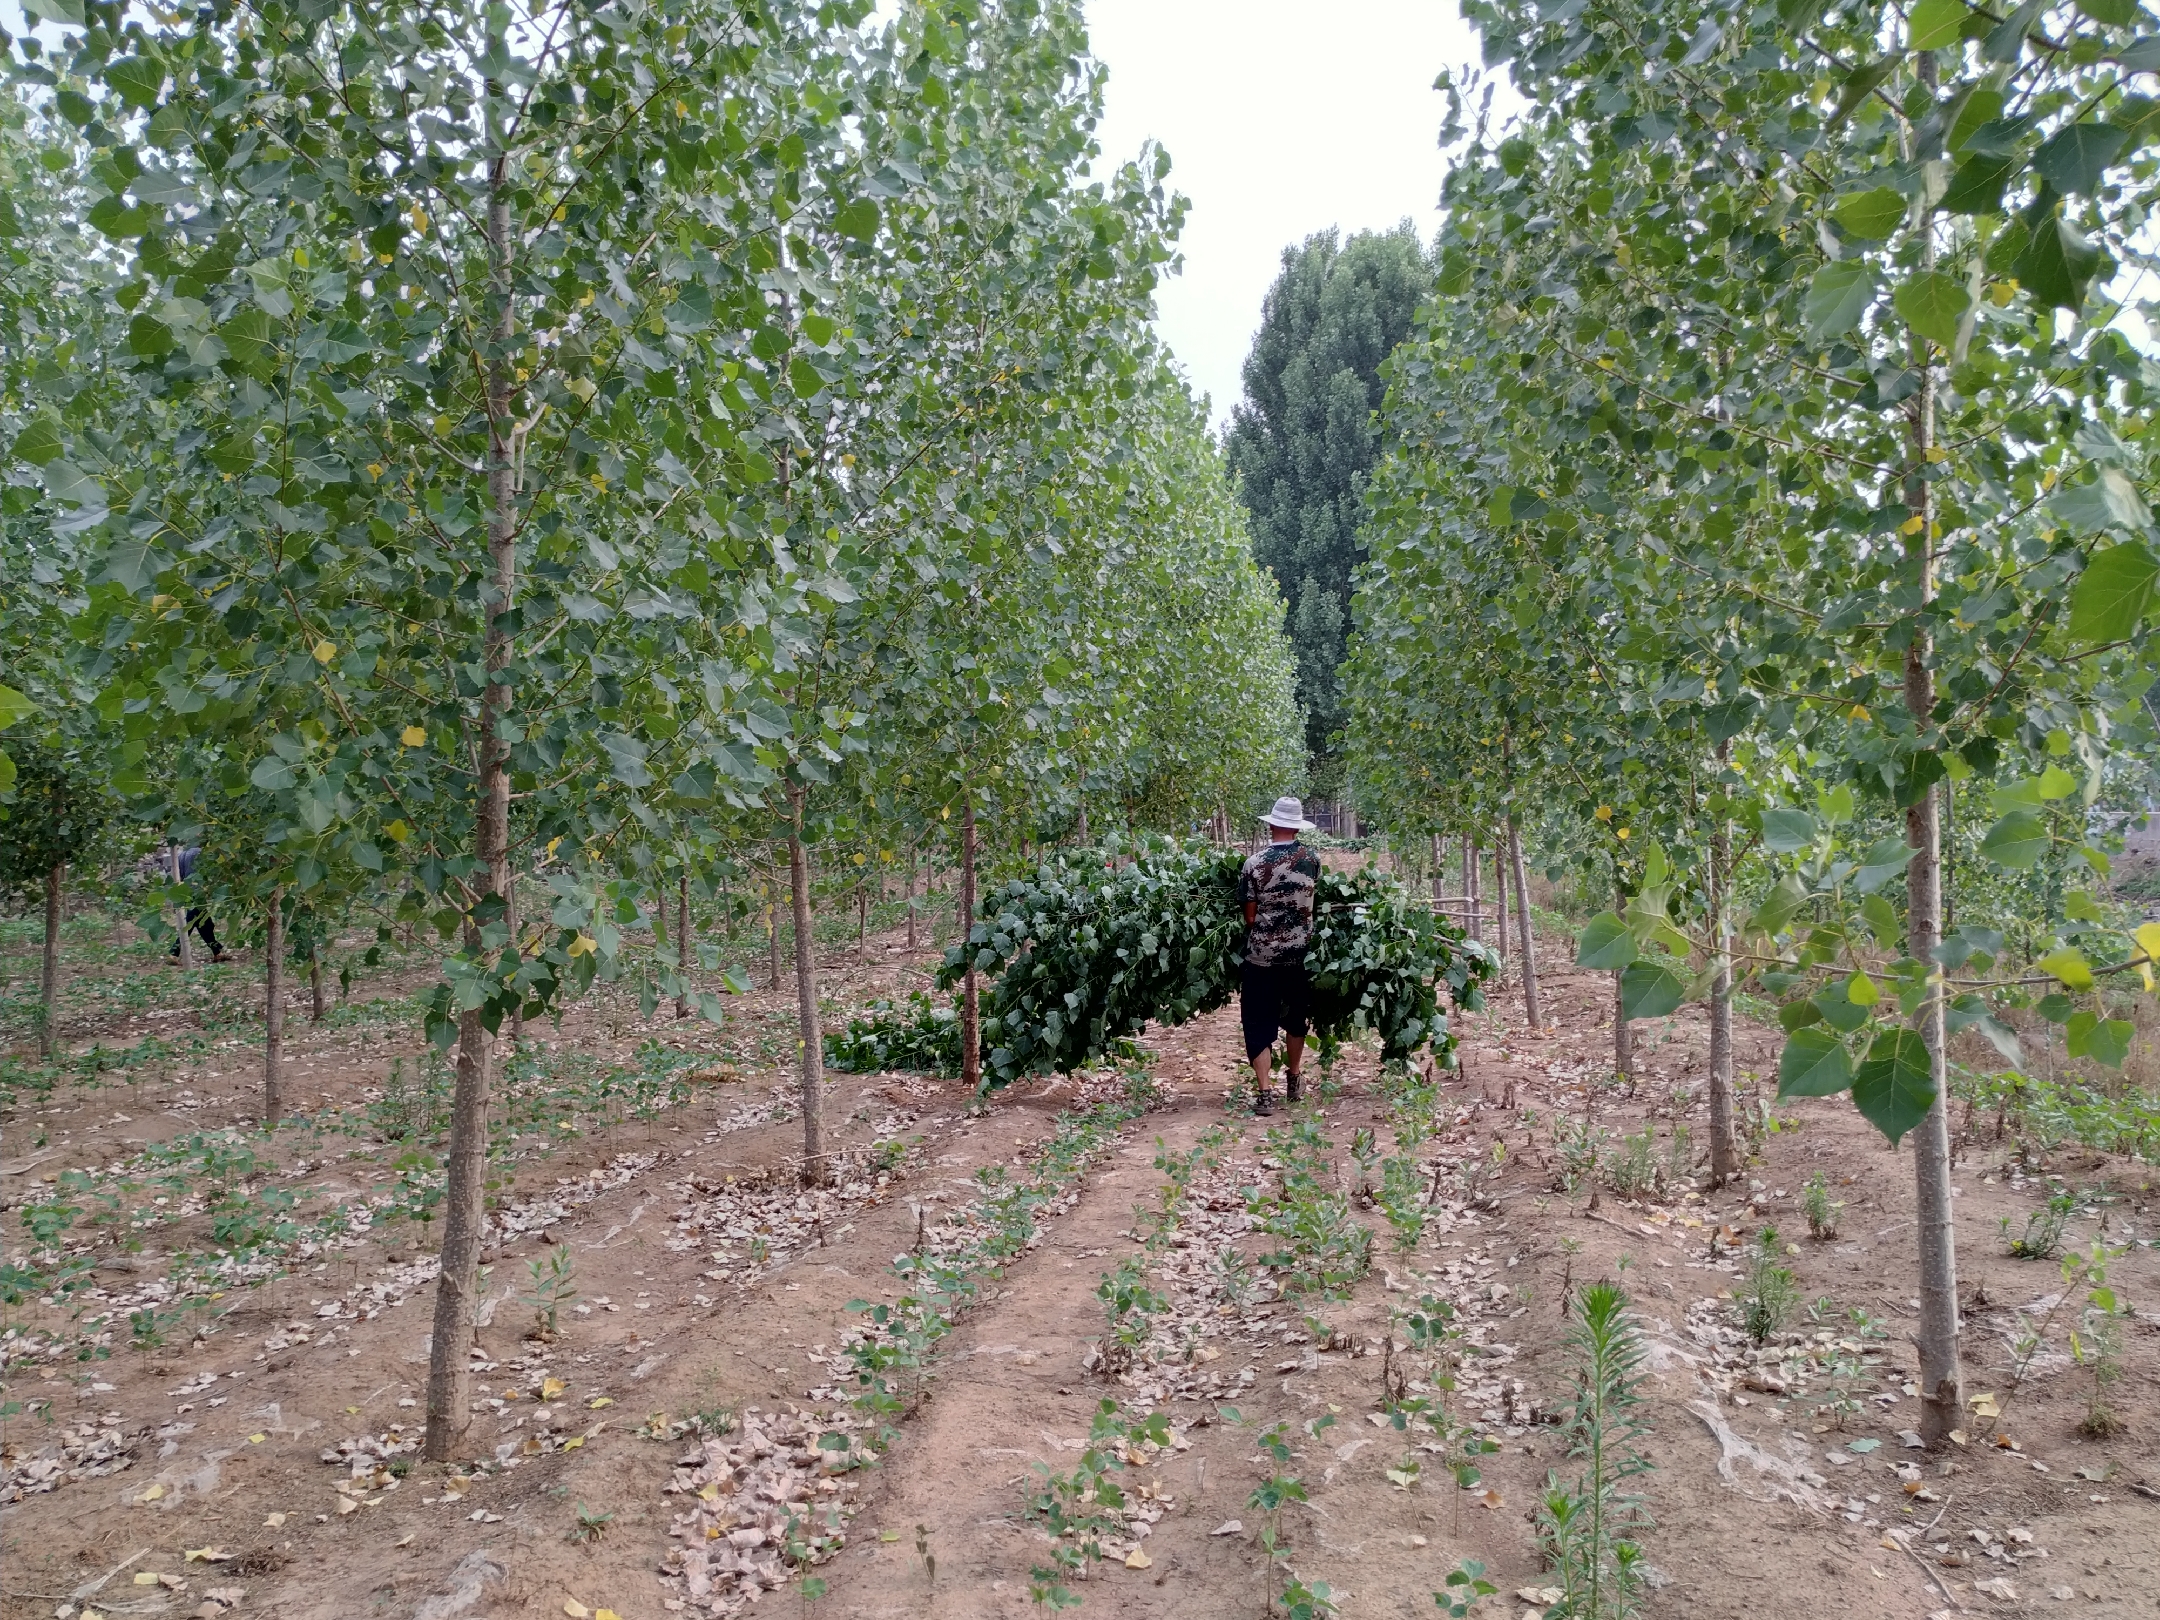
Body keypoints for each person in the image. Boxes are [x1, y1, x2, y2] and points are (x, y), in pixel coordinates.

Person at [1238, 796, 1320, 1116]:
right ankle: (1295, 1079)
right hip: (1299, 955)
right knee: (1296, 1019)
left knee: (1257, 1022)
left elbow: (1249, 917)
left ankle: (1264, 1093)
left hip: (1262, 958)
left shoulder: (1253, 864)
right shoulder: (1311, 859)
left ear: (1272, 824)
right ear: (1297, 828)